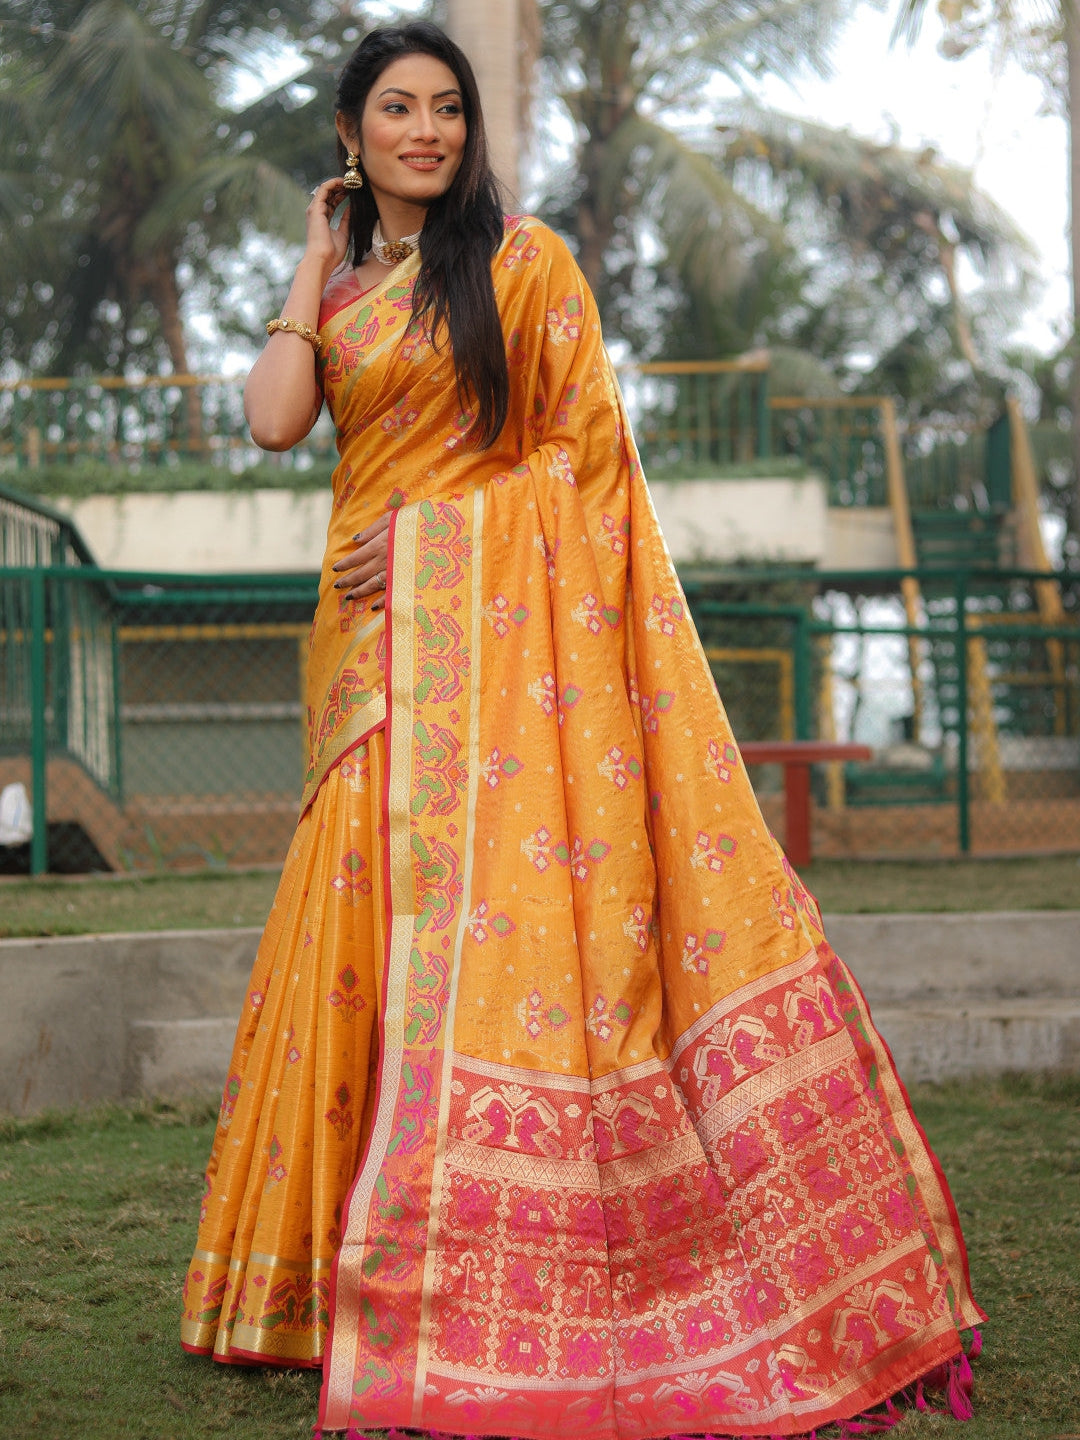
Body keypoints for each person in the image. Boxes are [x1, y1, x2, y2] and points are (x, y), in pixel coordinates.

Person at [181, 21, 983, 1439]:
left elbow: (583, 456)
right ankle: (309, 1286)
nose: (424, 132)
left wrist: (442, 541)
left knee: (462, 943)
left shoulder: (523, 265)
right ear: (352, 137)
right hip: (366, 655)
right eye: (395, 111)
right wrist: (316, 260)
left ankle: (443, 1270)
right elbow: (271, 421)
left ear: (468, 131)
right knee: (350, 926)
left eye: (445, 109)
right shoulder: (353, 287)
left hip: (484, 659)